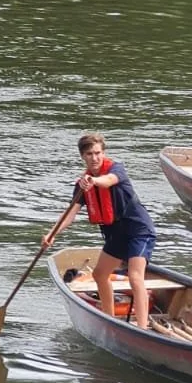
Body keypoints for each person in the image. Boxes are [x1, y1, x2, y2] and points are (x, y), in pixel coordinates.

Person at [42, 133, 157, 330]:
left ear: (103, 153)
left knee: (135, 276)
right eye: (89, 154)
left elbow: (109, 180)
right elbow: (70, 214)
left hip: (139, 230)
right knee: (99, 274)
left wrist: (94, 182)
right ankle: (110, 319)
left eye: (98, 153)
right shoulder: (82, 186)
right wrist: (52, 234)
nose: (94, 158)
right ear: (83, 156)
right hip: (117, 235)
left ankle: (143, 328)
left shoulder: (115, 169)